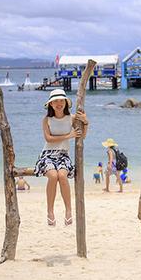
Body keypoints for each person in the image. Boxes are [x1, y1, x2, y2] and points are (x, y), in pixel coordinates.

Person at [34, 88, 89, 226]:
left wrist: (86, 122)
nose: (59, 103)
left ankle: (68, 210)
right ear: (51, 104)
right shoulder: (46, 120)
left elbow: (82, 136)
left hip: (64, 155)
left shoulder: (71, 118)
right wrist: (68, 136)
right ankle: (50, 211)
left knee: (62, 176)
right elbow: (48, 139)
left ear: (65, 102)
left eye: (61, 100)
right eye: (55, 101)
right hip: (48, 155)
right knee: (53, 176)